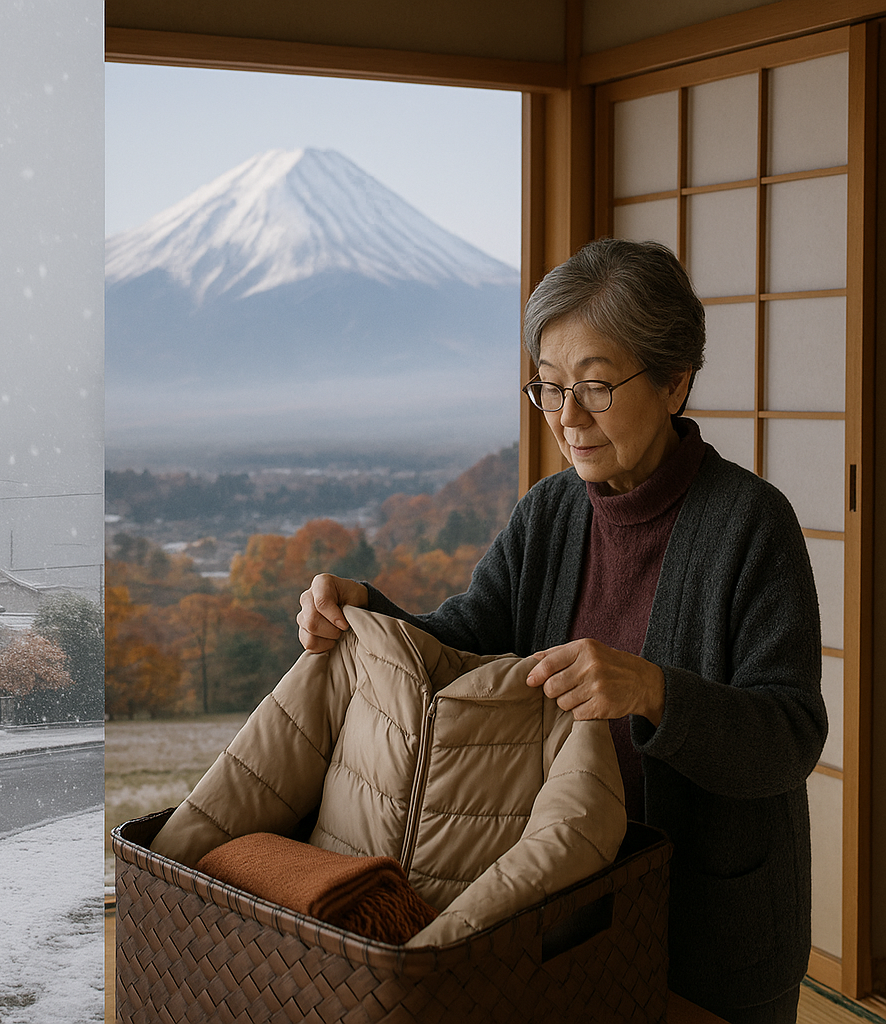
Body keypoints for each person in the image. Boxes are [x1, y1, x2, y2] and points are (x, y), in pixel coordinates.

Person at [296, 237, 825, 1024]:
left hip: (710, 921)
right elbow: (467, 641)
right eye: (547, 388)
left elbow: (791, 734)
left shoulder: (751, 524)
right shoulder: (549, 513)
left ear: (676, 380)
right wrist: (363, 606)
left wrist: (653, 691)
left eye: (596, 387)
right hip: (567, 899)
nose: (567, 418)